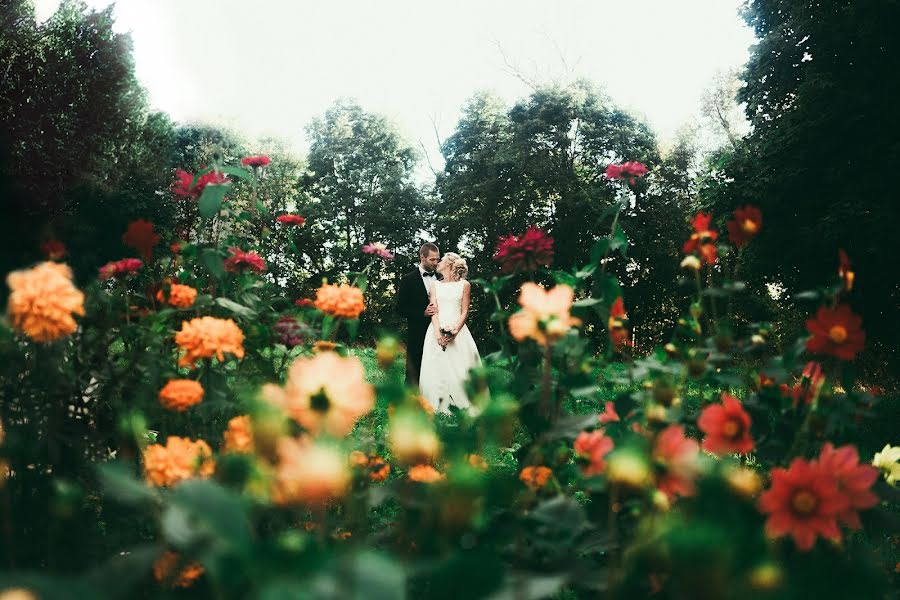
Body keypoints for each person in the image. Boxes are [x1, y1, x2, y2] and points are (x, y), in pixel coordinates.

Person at [418, 252, 483, 413]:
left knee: (460, 367)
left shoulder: (464, 285)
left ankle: (464, 402)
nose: (438, 262)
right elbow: (433, 310)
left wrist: (455, 331)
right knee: (437, 366)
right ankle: (438, 404)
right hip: (435, 330)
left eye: (442, 260)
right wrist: (438, 334)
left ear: (449, 264)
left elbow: (464, 312)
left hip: (458, 330)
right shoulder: (435, 285)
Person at [395, 242, 441, 385]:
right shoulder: (408, 279)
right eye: (432, 259)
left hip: (439, 330)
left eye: (437, 259)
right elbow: (399, 309)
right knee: (415, 368)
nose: (436, 263)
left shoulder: (442, 277)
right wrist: (422, 313)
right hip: (418, 332)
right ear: (422, 257)